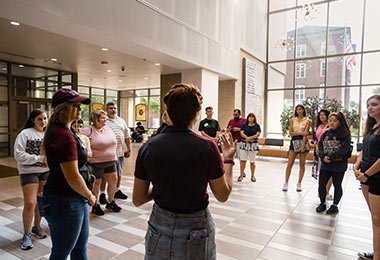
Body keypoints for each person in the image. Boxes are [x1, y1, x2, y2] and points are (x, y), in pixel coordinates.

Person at [132, 83, 237, 259]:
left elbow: (138, 198)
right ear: (197, 114)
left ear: (168, 112)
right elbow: (223, 194)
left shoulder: (148, 147)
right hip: (196, 227)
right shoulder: (207, 147)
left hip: (159, 224)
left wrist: (162, 187)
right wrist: (228, 159)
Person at [42, 88, 96, 259]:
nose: (80, 109)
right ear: (62, 109)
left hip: (72, 198)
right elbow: (72, 177)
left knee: (79, 248)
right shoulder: (63, 135)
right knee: (61, 252)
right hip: (66, 200)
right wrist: (90, 195)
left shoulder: (67, 131)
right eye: (76, 105)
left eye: (80, 106)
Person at [14, 109, 49, 250]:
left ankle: (36, 227)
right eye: (40, 119)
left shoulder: (48, 134)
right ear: (33, 120)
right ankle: (27, 234)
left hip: (45, 172)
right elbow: (19, 155)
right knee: (30, 202)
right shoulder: (25, 134)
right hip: (28, 172)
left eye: (45, 118)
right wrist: (40, 159)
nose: (43, 121)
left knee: (39, 202)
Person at [355, 95, 380, 260]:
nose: (370, 108)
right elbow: (364, 149)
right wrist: (357, 165)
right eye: (368, 105)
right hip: (365, 176)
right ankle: (377, 251)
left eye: (374, 105)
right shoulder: (371, 127)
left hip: (375, 176)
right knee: (375, 218)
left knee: (378, 220)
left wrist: (366, 174)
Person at [82, 110, 121, 215]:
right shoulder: (88, 130)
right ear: (95, 119)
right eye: (103, 118)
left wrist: (116, 156)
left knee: (113, 180)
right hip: (96, 162)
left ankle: (111, 201)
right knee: (97, 184)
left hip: (111, 161)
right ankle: (95, 205)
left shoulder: (108, 129)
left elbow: (115, 143)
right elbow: (82, 143)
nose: (105, 120)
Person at [316, 112, 351, 214]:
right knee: (322, 184)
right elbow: (320, 146)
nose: (332, 123)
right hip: (325, 165)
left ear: (340, 123)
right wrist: (323, 157)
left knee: (337, 185)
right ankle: (322, 203)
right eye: (330, 121)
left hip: (339, 166)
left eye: (334, 121)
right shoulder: (326, 134)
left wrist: (331, 157)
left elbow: (343, 151)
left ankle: (335, 205)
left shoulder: (345, 135)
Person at [98, 102, 131, 205]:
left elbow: (127, 135)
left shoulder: (121, 121)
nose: (113, 110)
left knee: (119, 173)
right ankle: (102, 193)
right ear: (106, 110)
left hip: (120, 152)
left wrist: (129, 149)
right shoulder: (103, 121)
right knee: (105, 175)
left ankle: (117, 190)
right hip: (107, 154)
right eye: (111, 108)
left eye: (115, 108)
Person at [283, 104, 311, 192]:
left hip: (303, 141)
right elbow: (291, 133)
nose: (299, 111)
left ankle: (299, 183)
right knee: (290, 163)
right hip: (294, 141)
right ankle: (286, 182)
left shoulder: (307, 120)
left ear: (303, 110)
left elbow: (306, 134)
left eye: (300, 109)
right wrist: (301, 133)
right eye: (297, 109)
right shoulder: (292, 120)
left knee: (302, 164)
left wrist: (303, 145)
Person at [312, 109, 333, 200]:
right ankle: (321, 191)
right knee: (321, 172)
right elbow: (315, 139)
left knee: (329, 172)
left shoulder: (330, 126)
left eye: (324, 115)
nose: (322, 117)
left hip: (327, 151)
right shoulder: (317, 127)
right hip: (318, 152)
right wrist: (316, 147)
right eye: (320, 115)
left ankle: (326, 191)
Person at [237, 113, 261, 182]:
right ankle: (241, 175)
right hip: (244, 144)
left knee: (252, 161)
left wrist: (250, 138)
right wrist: (247, 138)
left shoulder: (257, 126)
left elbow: (258, 134)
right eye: (249, 117)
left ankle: (252, 176)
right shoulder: (244, 125)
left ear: (254, 118)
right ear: (247, 118)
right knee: (243, 161)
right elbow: (241, 133)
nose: (250, 118)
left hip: (253, 145)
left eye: (252, 117)